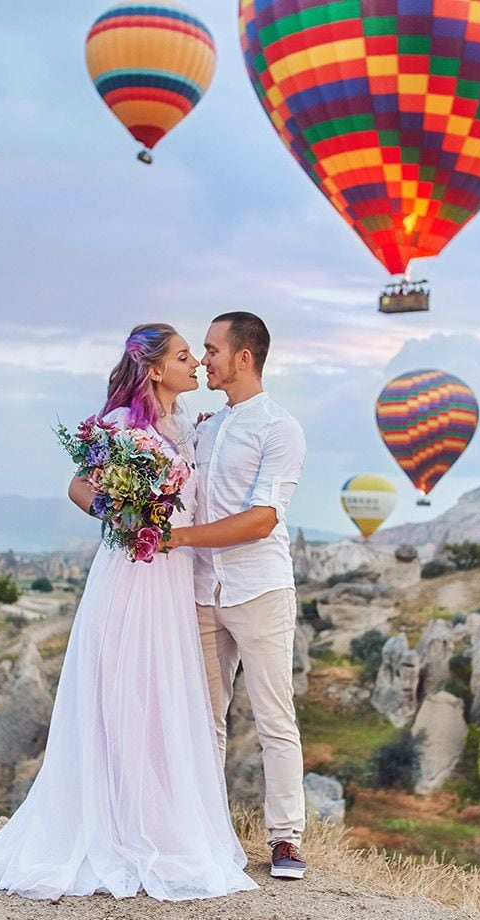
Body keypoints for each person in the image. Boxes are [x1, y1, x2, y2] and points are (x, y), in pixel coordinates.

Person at [0, 324, 257, 902]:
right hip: (131, 573)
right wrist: (124, 511)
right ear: (154, 369)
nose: (196, 364)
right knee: (122, 689)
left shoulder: (186, 428)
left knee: (161, 695)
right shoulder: (121, 425)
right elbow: (79, 487)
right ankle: (110, 826)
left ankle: (153, 821)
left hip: (172, 578)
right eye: (184, 357)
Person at [167, 312, 307, 880]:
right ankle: (206, 830)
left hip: (260, 590)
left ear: (243, 357)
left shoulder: (280, 429)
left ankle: (285, 839)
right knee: (204, 717)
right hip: (202, 592)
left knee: (275, 717)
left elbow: (260, 520)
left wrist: (178, 538)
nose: (203, 360)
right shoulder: (204, 427)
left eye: (211, 349)